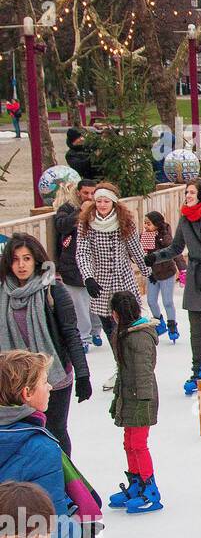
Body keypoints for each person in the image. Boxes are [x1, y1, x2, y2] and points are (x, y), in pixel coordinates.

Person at [0, 235, 91, 455]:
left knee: (55, 430)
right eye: (15, 259)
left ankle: (63, 480)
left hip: (54, 376)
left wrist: (83, 373)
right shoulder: (3, 293)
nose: (21, 265)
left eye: (27, 258)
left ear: (37, 261)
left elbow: (70, 333)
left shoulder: (53, 290)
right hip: (15, 379)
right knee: (25, 431)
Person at [145, 178, 201, 394]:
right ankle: (198, 372)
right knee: (196, 330)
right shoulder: (185, 218)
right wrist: (155, 257)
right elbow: (176, 247)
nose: (188, 196)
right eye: (187, 192)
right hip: (195, 277)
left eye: (192, 192)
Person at [73, 182, 148, 391]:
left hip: (123, 282)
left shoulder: (125, 221)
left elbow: (135, 249)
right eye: (99, 201)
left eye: (106, 201)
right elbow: (82, 252)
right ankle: (120, 368)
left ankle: (133, 369)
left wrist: (148, 271)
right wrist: (88, 277)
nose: (102, 204)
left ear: (114, 202)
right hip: (100, 285)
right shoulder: (86, 222)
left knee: (127, 329)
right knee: (111, 331)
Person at [107, 291, 161, 514]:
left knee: (138, 445)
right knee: (129, 443)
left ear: (117, 314)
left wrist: (142, 401)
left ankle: (150, 490)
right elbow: (124, 373)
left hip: (141, 399)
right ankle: (136, 483)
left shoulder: (138, 338)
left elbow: (144, 373)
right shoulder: (125, 334)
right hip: (130, 396)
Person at [52, 180, 103, 349]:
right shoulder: (68, 208)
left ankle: (96, 331)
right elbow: (60, 225)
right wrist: (79, 213)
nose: (89, 197)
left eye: (92, 193)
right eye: (86, 193)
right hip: (72, 264)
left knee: (96, 299)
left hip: (96, 262)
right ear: (78, 192)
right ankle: (84, 337)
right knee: (79, 303)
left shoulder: (101, 207)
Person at [140, 211, 181, 345]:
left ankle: (172, 325)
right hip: (152, 274)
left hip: (166, 273)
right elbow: (139, 254)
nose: (146, 226)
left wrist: (182, 268)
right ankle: (159, 322)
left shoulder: (164, 237)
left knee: (167, 301)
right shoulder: (143, 236)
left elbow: (175, 252)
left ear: (157, 225)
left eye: (149, 223)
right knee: (151, 301)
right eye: (145, 223)